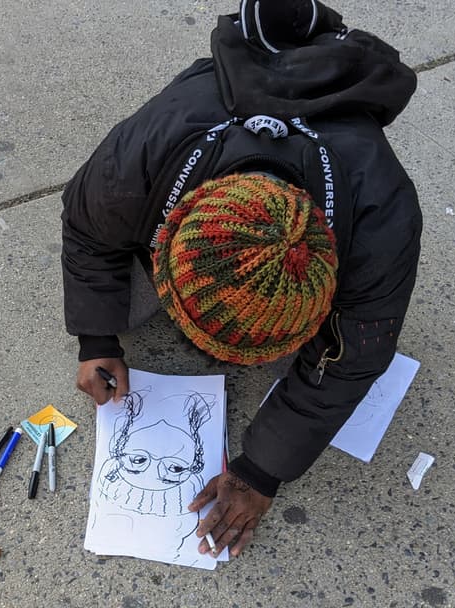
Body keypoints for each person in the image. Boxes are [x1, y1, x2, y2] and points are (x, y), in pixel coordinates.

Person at [61, 0, 421, 559]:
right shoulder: (141, 158)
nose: (217, 363)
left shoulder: (382, 219)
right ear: (173, 226)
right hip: (187, 155)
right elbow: (88, 231)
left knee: (307, 370)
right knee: (121, 311)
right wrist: (97, 338)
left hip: (337, 207)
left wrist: (260, 473)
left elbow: (351, 361)